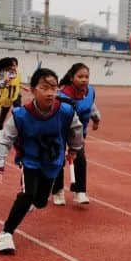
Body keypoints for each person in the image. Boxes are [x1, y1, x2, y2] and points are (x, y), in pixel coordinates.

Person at [0, 67, 84, 254]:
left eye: (54, 88)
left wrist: (74, 149)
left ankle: (32, 201)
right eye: (44, 88)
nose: (50, 93)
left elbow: (76, 129)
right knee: (27, 193)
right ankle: (6, 233)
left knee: (40, 201)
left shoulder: (65, 111)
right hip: (30, 160)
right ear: (32, 90)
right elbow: (4, 139)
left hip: (53, 161)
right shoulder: (21, 115)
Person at [52, 63, 101, 206]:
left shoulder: (90, 92)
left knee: (80, 159)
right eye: (80, 77)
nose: (84, 80)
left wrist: (96, 119)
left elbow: (91, 106)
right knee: (58, 160)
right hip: (61, 130)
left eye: (86, 77)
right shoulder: (63, 95)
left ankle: (80, 192)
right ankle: (58, 191)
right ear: (72, 78)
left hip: (79, 132)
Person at [0, 58, 23, 134]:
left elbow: (18, 83)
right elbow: (1, 83)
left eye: (14, 65)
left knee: (18, 112)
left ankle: (18, 128)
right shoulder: (5, 73)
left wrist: (24, 87)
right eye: (11, 65)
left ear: (17, 66)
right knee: (4, 112)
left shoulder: (18, 74)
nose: (13, 67)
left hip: (16, 95)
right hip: (7, 96)